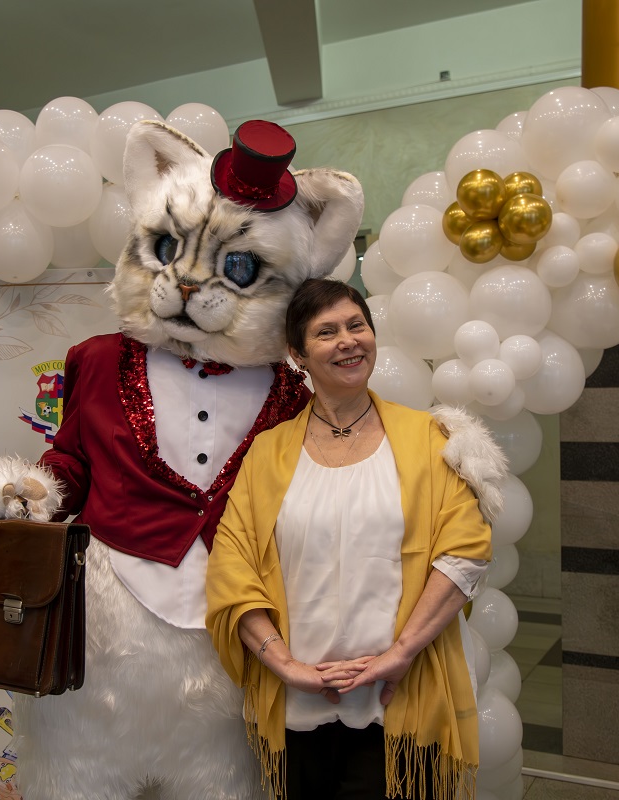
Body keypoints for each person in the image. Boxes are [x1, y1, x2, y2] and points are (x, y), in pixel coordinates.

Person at [206, 278, 501, 800]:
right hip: (296, 705)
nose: (348, 341)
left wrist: (402, 653)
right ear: (297, 354)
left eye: (356, 325)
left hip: (401, 697)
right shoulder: (267, 452)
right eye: (326, 332)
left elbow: (465, 551)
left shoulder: (429, 439)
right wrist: (285, 666)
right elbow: (232, 569)